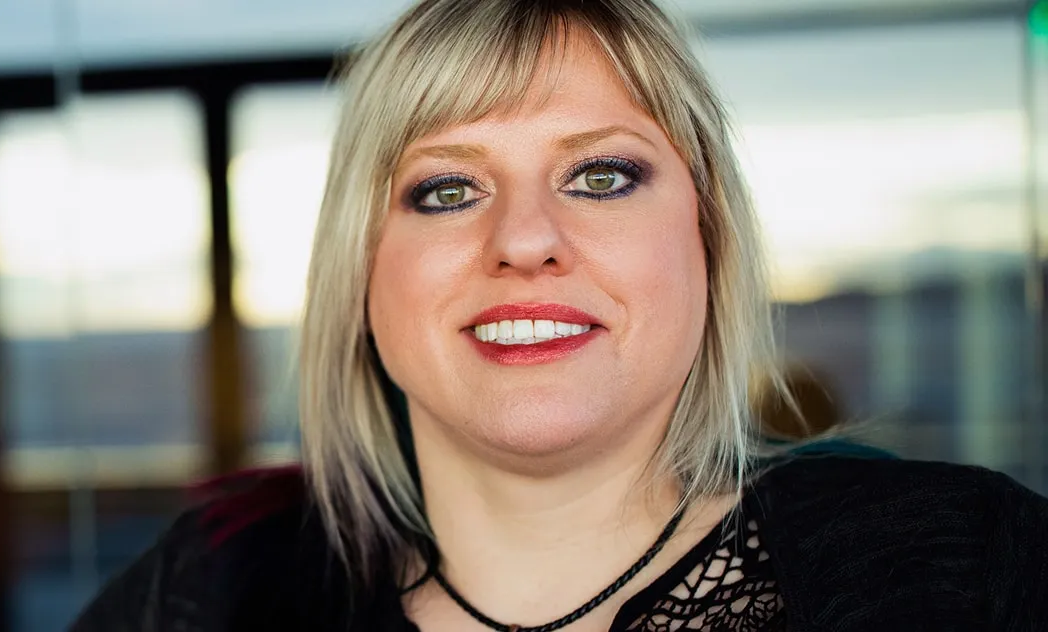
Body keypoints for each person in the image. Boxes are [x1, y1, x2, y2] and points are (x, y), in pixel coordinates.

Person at [72, 0, 1048, 630]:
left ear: (707, 240)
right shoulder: (204, 596)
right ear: (360, 278)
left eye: (600, 176)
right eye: (447, 189)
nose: (525, 239)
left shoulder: (968, 567)